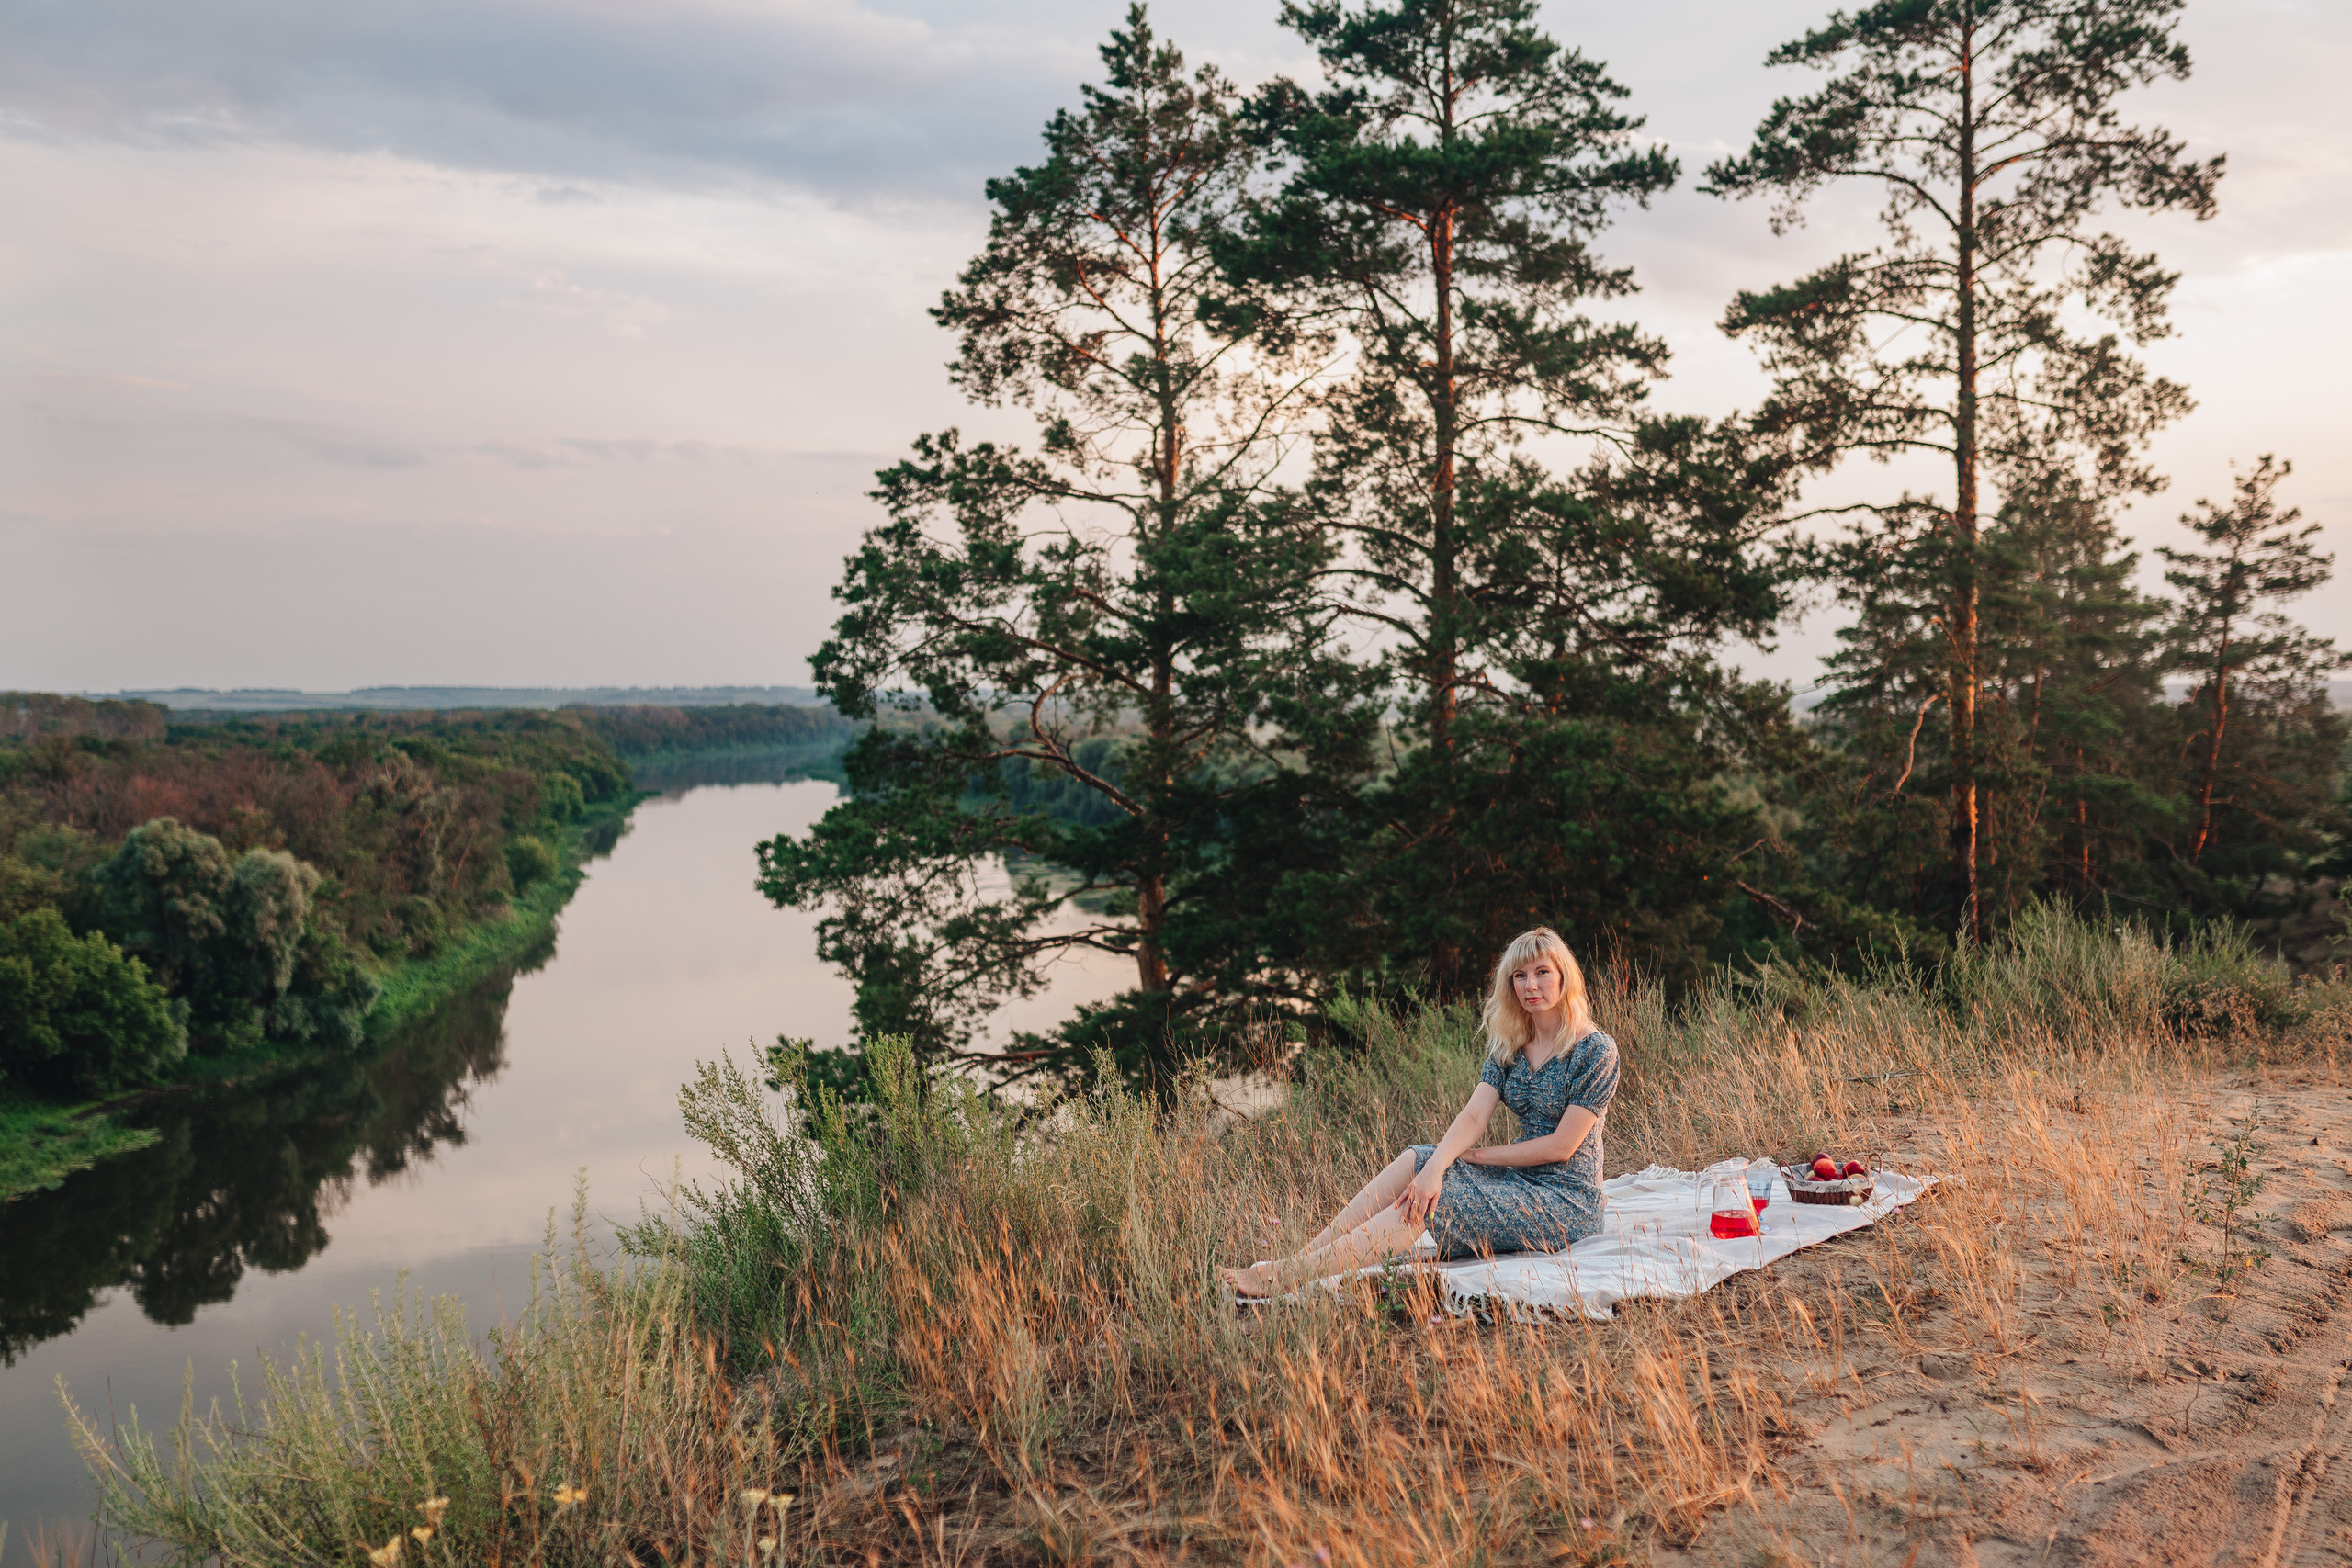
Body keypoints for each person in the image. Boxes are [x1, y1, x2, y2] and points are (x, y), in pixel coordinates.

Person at [1222, 927, 1620, 1299]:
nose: (1530, 985)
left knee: (1431, 1200)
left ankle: (1291, 1275)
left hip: (1566, 1201)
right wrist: (1437, 1164)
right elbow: (1473, 1117)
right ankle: (1298, 1260)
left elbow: (1561, 1146)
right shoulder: (1511, 1045)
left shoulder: (1595, 1050)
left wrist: (1470, 1158)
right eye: (1519, 976)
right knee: (1420, 1157)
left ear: (1564, 976)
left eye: (1542, 972)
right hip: (1518, 1182)